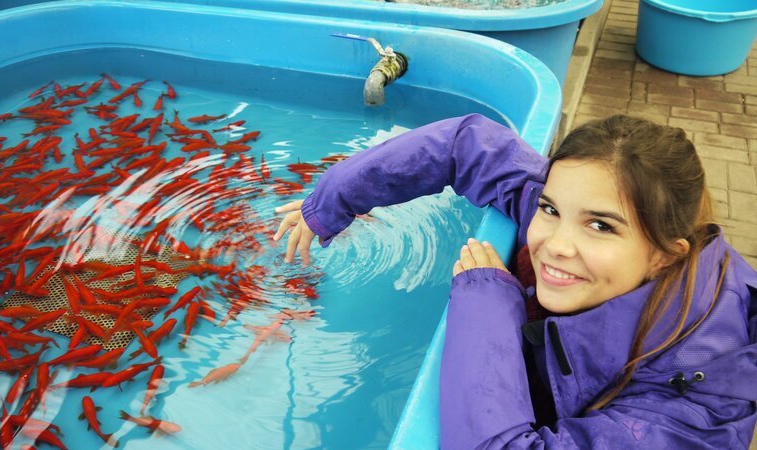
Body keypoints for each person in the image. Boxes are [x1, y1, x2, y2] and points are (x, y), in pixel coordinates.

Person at [272, 114, 757, 449]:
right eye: (550, 208)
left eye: (601, 225)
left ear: (663, 256)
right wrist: (330, 203)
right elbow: (465, 146)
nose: (555, 244)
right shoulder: (574, 230)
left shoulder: (695, 405)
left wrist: (487, 298)